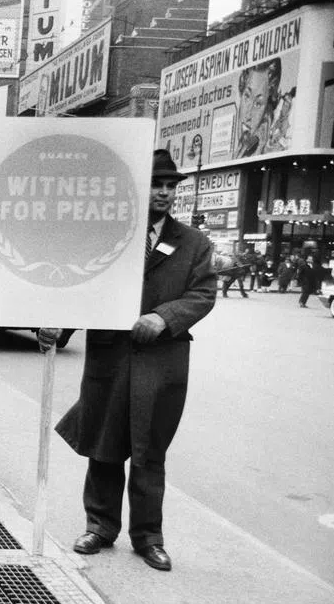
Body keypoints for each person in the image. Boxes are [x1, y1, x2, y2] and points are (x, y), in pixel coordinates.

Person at [56, 149, 216, 572]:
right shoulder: (110, 236)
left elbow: (202, 295)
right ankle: (100, 527)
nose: (163, 193)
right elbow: (82, 285)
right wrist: (57, 326)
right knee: (104, 445)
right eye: (155, 184)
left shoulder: (195, 243)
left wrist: (164, 318)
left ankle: (148, 538)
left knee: (149, 452)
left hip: (162, 362)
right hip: (110, 358)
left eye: (169, 186)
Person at [235, 57, 282, 158]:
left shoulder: (272, 150)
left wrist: (260, 147)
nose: (247, 115)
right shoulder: (239, 150)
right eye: (247, 96)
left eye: (258, 104)